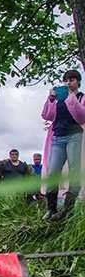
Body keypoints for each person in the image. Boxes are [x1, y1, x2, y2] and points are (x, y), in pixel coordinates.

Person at [41, 69, 85, 220]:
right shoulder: (58, 100)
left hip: (74, 136)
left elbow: (81, 116)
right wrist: (51, 99)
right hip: (57, 138)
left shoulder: (81, 97)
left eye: (72, 80)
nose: (69, 82)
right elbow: (47, 115)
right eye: (66, 80)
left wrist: (71, 98)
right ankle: (51, 209)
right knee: (53, 173)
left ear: (78, 82)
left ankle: (67, 210)